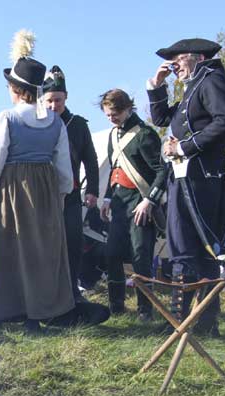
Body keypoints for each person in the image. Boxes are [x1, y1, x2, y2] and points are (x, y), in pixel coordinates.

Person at [148, 37, 225, 335]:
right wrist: (157, 85)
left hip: (202, 177)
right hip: (187, 177)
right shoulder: (193, 87)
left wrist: (184, 147)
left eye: (178, 60)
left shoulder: (211, 80)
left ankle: (185, 322)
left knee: (191, 249)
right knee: (188, 249)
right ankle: (198, 323)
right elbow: (163, 118)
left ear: (198, 58)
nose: (173, 66)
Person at [0, 54, 74, 333]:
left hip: (13, 187)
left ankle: (7, 311)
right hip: (45, 187)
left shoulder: (6, 119)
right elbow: (64, 168)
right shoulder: (55, 122)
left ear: (16, 89)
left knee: (9, 248)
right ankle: (37, 312)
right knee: (40, 251)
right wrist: (60, 195)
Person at [97, 89, 168, 321]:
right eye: (108, 115)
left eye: (115, 113)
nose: (112, 118)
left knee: (141, 257)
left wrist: (150, 200)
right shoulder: (113, 135)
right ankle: (116, 307)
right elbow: (115, 170)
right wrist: (107, 198)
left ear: (128, 108)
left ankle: (144, 310)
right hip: (119, 203)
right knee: (112, 254)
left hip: (140, 202)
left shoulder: (145, 134)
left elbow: (161, 171)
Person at [43, 66, 100, 302]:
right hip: (44, 193)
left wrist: (94, 190)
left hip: (73, 193)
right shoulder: (39, 123)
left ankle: (72, 290)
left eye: (57, 100)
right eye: (49, 101)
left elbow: (91, 159)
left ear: (65, 97)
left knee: (73, 241)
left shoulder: (78, 124)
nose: (53, 106)